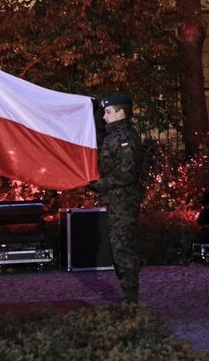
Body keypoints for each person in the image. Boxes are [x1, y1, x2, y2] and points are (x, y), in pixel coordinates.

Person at [92, 93, 144, 302]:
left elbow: (126, 174)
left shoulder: (124, 139)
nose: (104, 116)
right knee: (119, 247)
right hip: (116, 200)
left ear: (121, 113)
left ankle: (130, 298)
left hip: (124, 201)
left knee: (123, 248)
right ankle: (127, 295)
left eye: (108, 112)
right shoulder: (113, 135)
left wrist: (98, 184)